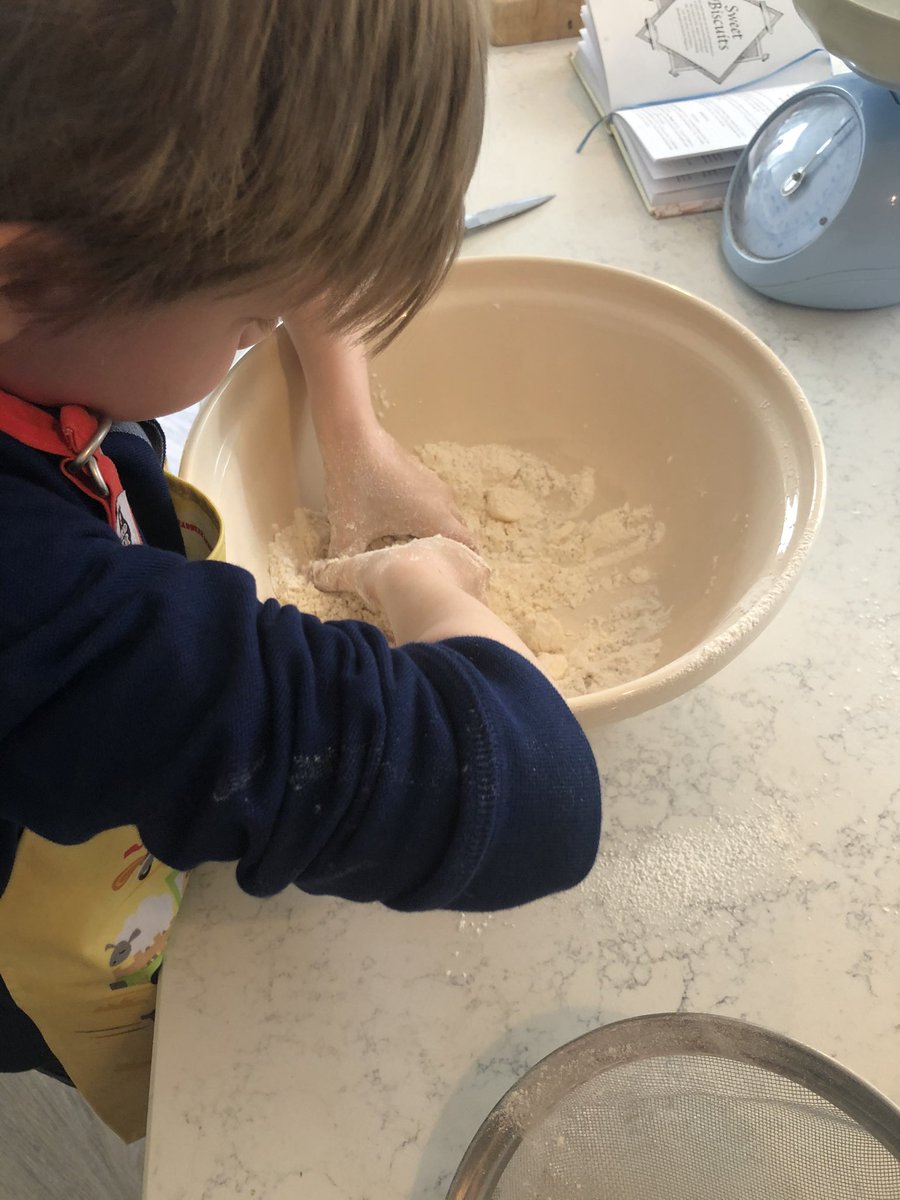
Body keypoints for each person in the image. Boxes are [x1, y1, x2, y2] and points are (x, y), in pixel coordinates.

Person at [0, 0, 602, 1141]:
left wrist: (354, 432)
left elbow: (270, 208)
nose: (264, 330)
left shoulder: (42, 207)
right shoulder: (35, 606)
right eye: (252, 319)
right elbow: (536, 790)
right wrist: (424, 578)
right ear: (21, 279)